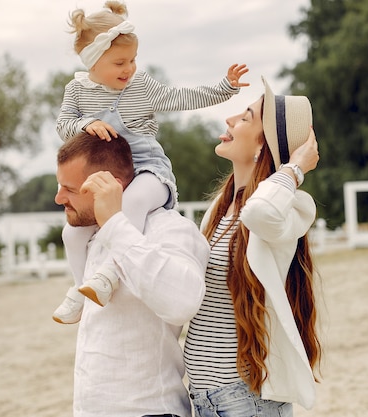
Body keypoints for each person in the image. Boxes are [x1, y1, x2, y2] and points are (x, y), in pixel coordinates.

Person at [53, 0, 249, 324]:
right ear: (93, 61)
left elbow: (181, 97)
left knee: (131, 203)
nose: (128, 68)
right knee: (72, 234)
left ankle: (109, 275)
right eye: (119, 62)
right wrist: (84, 124)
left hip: (147, 170)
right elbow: (63, 125)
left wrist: (224, 88)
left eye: (132, 59)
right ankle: (78, 288)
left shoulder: (140, 86)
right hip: (107, 174)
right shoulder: (76, 92)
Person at [183, 77, 322, 416]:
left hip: (245, 399)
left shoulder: (288, 209)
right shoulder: (219, 207)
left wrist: (295, 168)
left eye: (245, 117)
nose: (229, 119)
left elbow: (259, 212)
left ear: (263, 147)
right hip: (205, 398)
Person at [54, 131, 209, 417]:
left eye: (70, 190)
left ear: (109, 186)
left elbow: (183, 303)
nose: (58, 197)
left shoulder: (170, 230)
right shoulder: (91, 236)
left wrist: (116, 224)